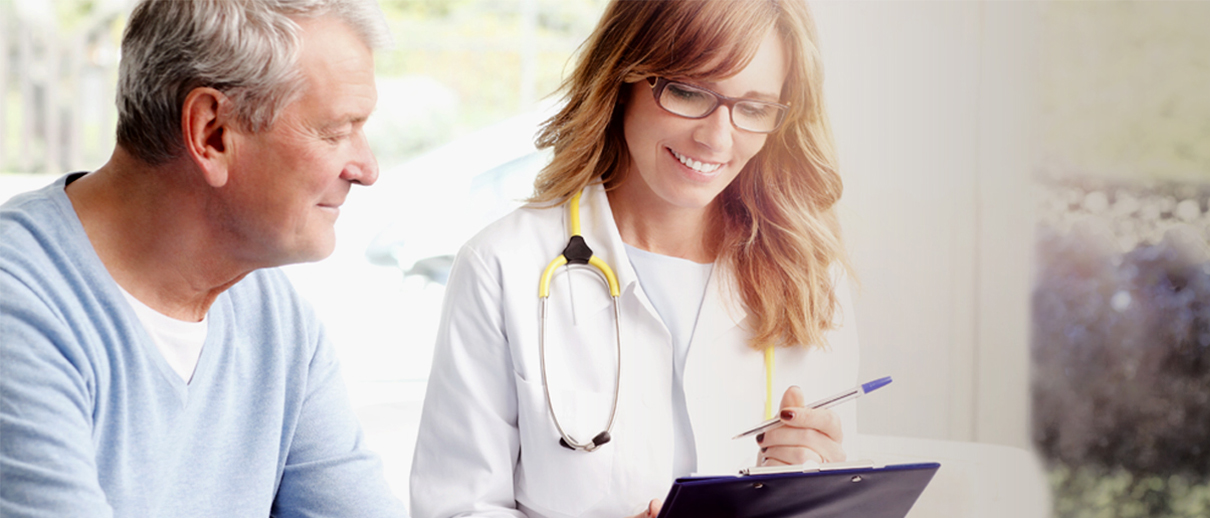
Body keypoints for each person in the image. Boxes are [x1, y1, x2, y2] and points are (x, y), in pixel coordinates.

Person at [409, 1, 859, 517]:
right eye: (688, 92)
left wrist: (821, 486)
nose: (716, 138)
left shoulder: (811, 274)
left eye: (754, 108)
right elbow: (455, 508)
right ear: (621, 77)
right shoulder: (502, 266)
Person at [0, 0, 405, 516]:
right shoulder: (20, 306)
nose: (366, 168)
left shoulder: (275, 320)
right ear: (211, 133)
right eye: (335, 130)